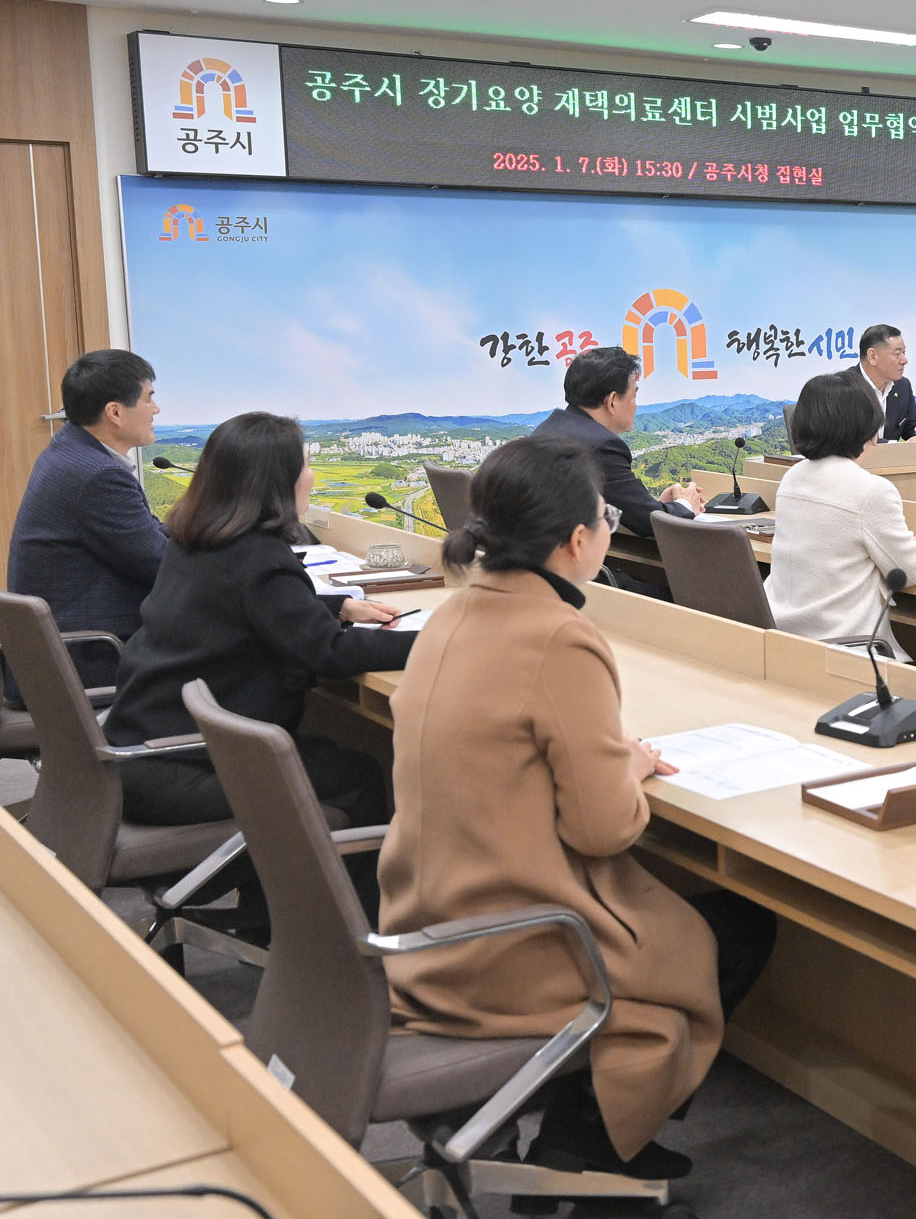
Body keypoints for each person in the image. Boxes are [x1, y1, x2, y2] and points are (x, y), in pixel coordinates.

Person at [378, 434, 776, 1179]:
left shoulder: (449, 615)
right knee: (734, 927)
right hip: (512, 944)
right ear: (574, 540)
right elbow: (603, 830)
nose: (608, 531)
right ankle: (588, 1143)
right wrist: (627, 762)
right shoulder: (561, 635)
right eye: (605, 518)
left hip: (423, 920)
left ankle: (569, 1127)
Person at [100, 412, 411, 827]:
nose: (312, 477)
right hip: (183, 768)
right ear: (277, 482)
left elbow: (240, 605)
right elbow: (329, 652)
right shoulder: (261, 559)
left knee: (330, 751)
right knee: (358, 774)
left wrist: (336, 605)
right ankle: (331, 874)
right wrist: (441, 638)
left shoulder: (197, 539)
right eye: (305, 466)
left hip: (142, 747)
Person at [6, 350, 167, 693]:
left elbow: (147, 533)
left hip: (55, 653)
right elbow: (162, 566)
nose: (156, 409)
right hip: (90, 659)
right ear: (115, 412)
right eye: (148, 398)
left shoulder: (68, 450)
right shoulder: (97, 475)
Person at [766, 373, 916, 658]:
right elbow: (908, 571)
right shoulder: (871, 490)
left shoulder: (792, 477)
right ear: (865, 426)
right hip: (847, 651)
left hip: (784, 640)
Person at [535, 346, 704, 537]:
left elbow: (622, 504)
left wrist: (656, 505)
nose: (635, 406)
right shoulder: (602, 446)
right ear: (613, 401)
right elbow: (649, 523)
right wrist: (687, 503)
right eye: (634, 396)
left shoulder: (548, 427)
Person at [840, 324, 916, 442]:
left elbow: (914, 425)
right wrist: (899, 448)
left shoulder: (903, 386)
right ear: (873, 357)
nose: (905, 361)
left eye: (904, 352)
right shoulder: (841, 389)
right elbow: (852, 440)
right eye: (897, 354)